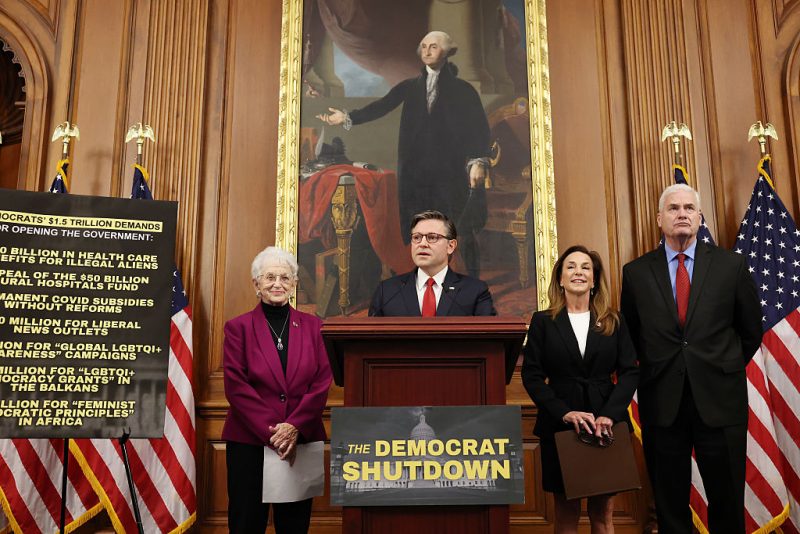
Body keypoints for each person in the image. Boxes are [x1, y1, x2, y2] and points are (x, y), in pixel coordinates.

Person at [620, 184, 761, 534]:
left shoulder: (731, 265)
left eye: (688, 208)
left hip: (720, 401)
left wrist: (719, 366)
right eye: (673, 208)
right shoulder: (636, 273)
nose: (681, 213)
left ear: (699, 218)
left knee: (727, 503)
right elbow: (632, 337)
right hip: (663, 404)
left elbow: (750, 330)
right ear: (659, 219)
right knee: (669, 507)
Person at [317, 30, 490, 278]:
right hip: (416, 173)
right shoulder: (410, 87)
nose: (427, 51)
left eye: (434, 46)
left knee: (460, 228)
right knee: (421, 230)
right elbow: (381, 107)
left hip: (449, 172)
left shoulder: (464, 91)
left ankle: (472, 282)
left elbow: (478, 129)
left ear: (448, 52)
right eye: (424, 46)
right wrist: (347, 117)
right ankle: (428, 281)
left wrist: (478, 161)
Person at [522, 245, 639, 534]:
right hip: (560, 425)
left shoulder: (614, 320)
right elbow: (532, 376)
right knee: (566, 514)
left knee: (602, 515)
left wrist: (609, 415)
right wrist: (565, 413)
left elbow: (629, 372)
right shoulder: (543, 322)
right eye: (571, 266)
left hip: (605, 426)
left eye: (585, 267)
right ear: (560, 279)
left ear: (594, 279)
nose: (578, 272)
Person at [222, 246, 332, 533]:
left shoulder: (314, 326)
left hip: (301, 439)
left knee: (294, 525)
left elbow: (322, 382)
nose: (277, 284)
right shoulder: (238, 328)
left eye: (285, 277)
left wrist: (294, 426)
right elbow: (236, 385)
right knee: (247, 522)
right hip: (249, 441)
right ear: (256, 284)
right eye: (269, 277)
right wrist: (277, 432)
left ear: (295, 284)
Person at [369, 210, 495, 316]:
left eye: (432, 237)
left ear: (451, 246)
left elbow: (489, 341)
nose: (422, 244)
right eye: (417, 237)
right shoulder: (386, 291)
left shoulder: (475, 291)